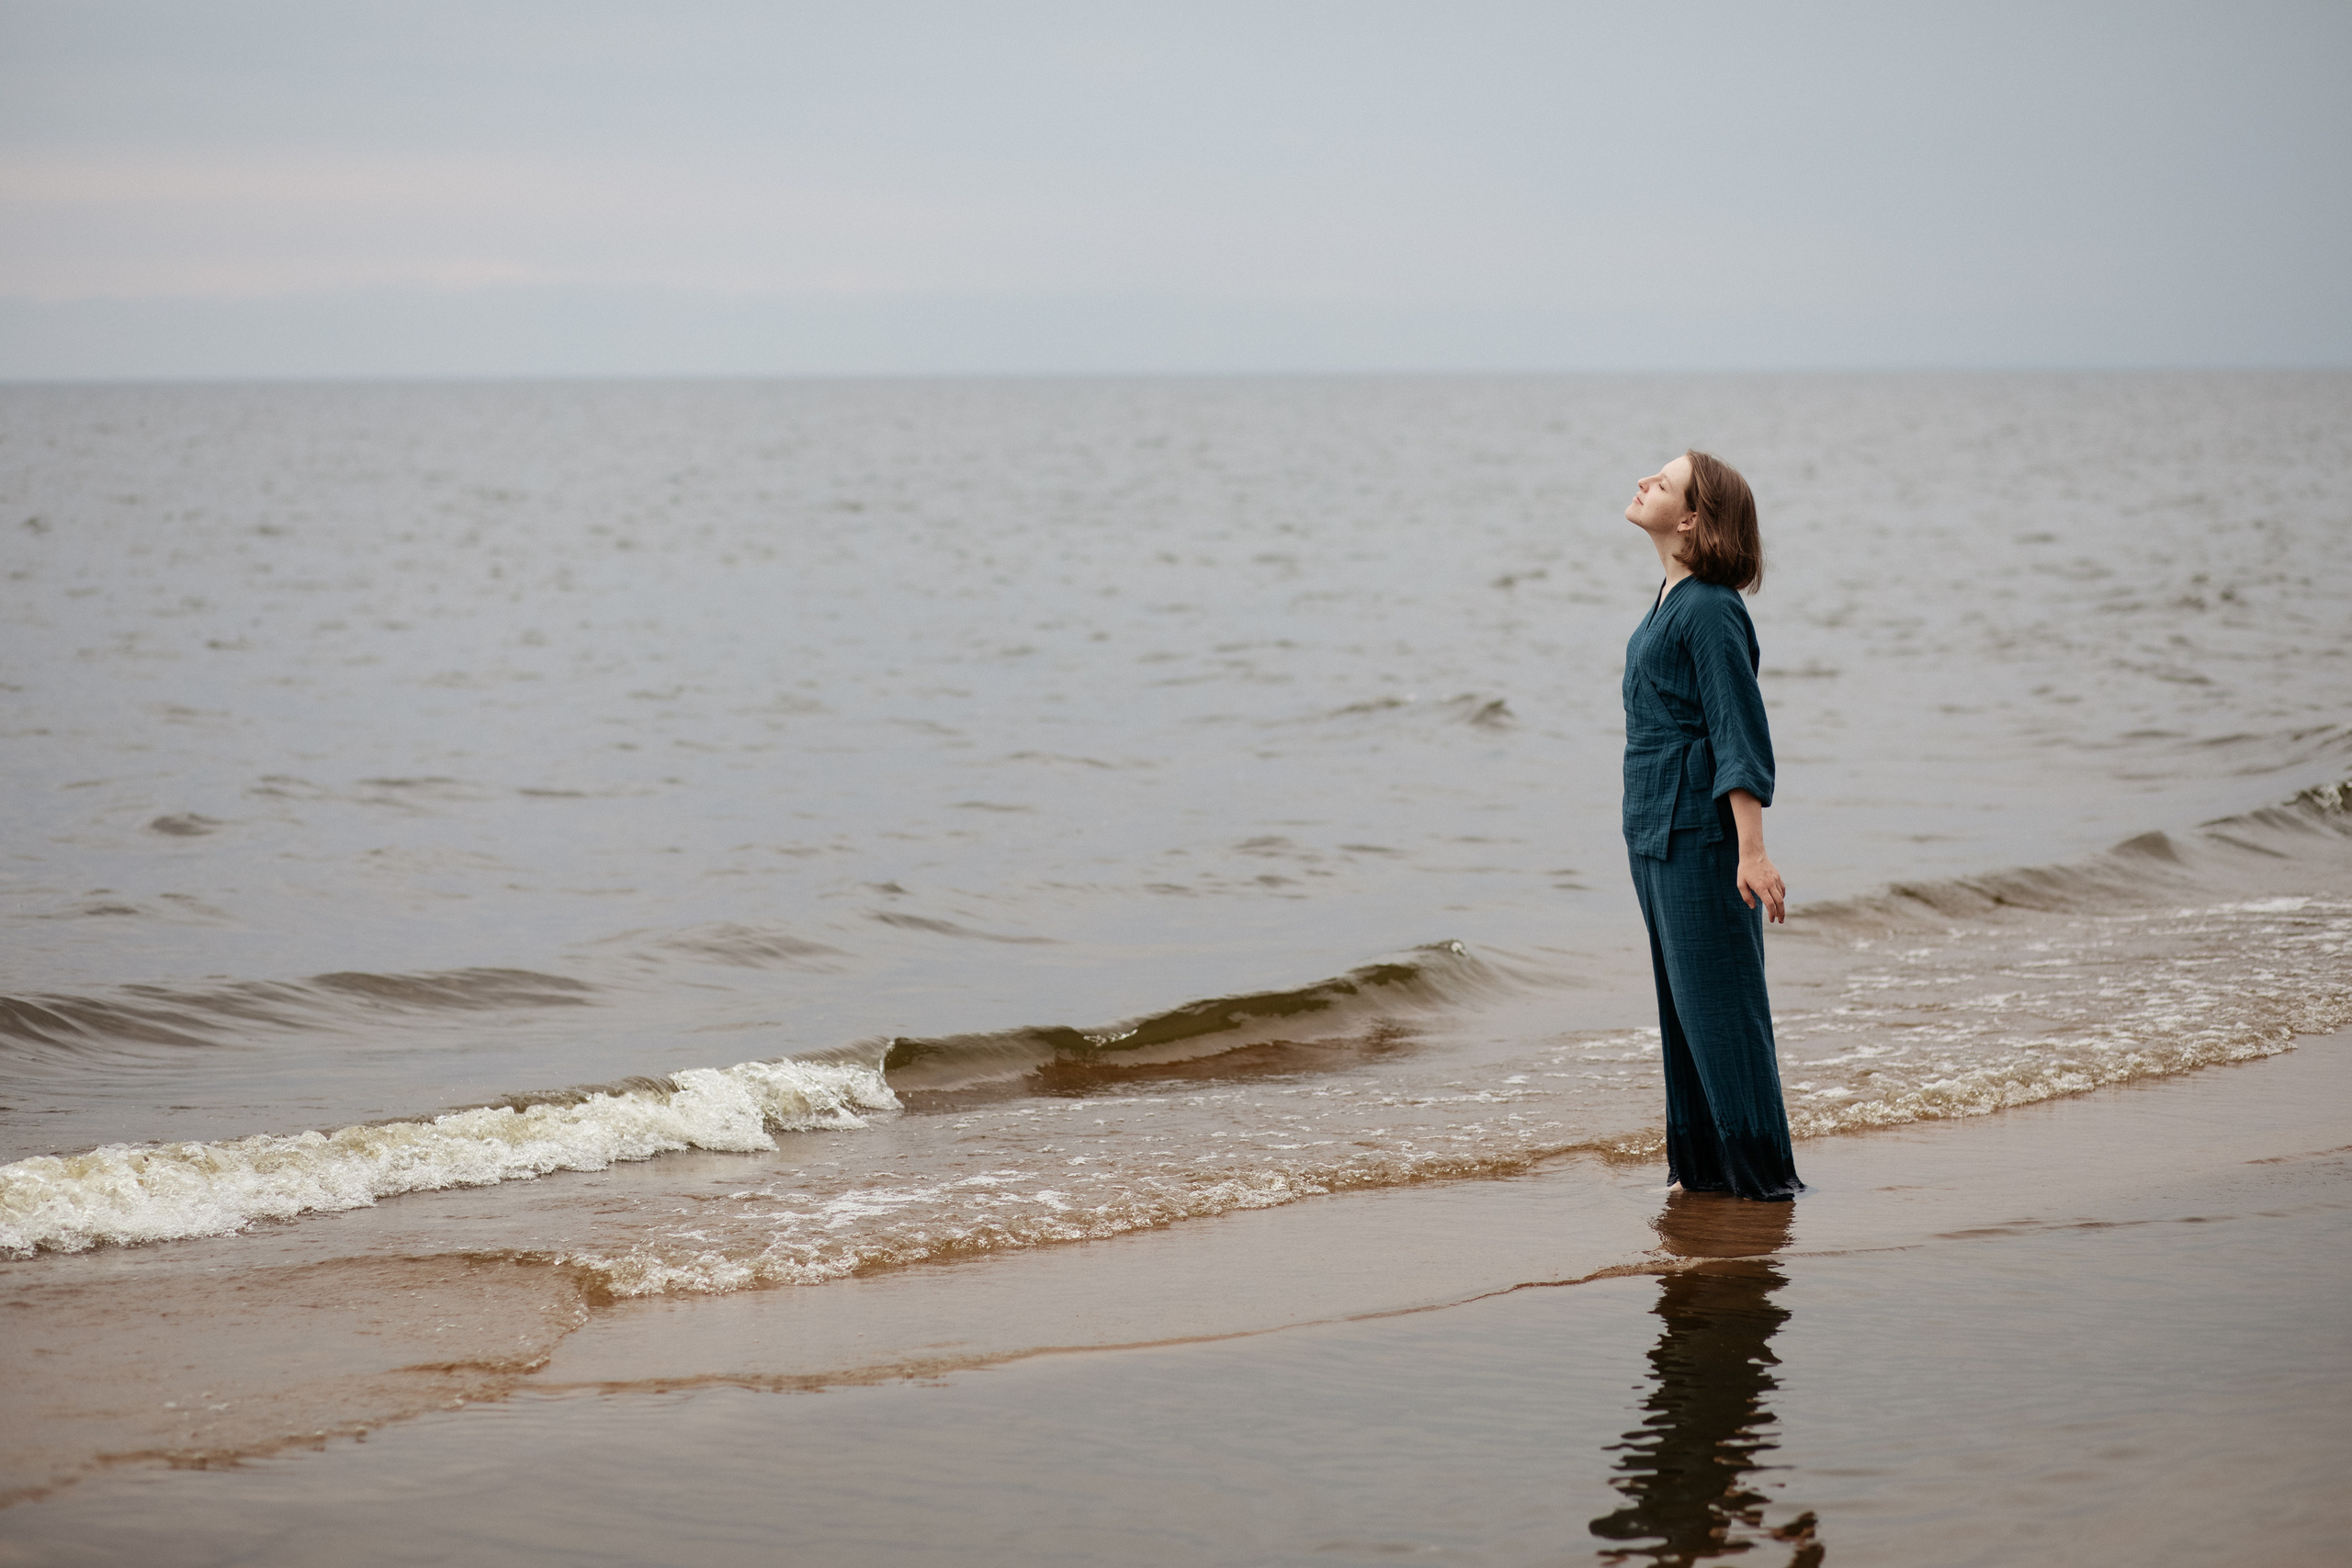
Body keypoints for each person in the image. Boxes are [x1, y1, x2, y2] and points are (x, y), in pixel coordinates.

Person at [1620, 450, 1803, 1201]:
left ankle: (1761, 1184)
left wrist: (1752, 850)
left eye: (1662, 483)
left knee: (1722, 1014)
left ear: (1693, 517)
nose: (1643, 482)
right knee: (1683, 1014)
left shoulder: (1712, 608)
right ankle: (1702, 1179)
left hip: (1701, 836)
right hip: (1655, 834)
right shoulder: (1669, 597)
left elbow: (1737, 729)